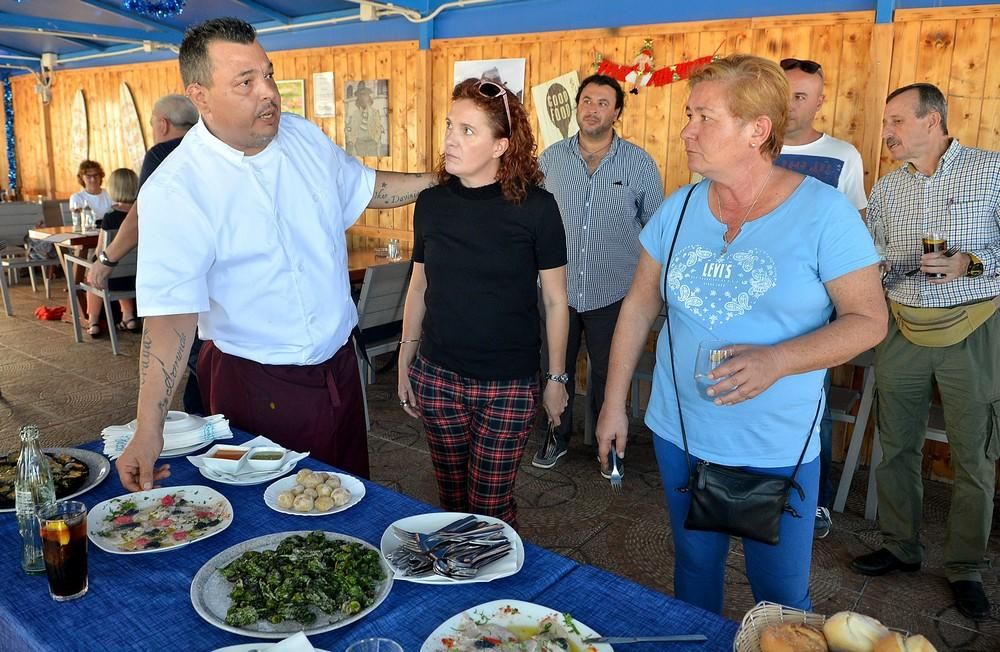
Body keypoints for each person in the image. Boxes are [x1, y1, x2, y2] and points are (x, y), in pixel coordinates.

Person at [595, 54, 886, 613]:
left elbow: (868, 321)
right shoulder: (679, 208)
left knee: (778, 595)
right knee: (695, 567)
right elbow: (637, 305)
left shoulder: (825, 213)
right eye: (688, 114)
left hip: (773, 444)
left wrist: (778, 360)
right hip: (679, 429)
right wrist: (613, 404)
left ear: (758, 131)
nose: (687, 130)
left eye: (705, 117)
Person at [114, 17, 433, 492]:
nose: (268, 92)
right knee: (273, 530)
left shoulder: (302, 137)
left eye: (268, 74)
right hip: (255, 383)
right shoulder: (178, 188)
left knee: (347, 501)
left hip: (339, 368)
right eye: (246, 82)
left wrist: (437, 184)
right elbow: (169, 323)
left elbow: (366, 187)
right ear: (200, 95)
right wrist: (149, 427)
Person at [850, 83, 1000, 620]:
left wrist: (970, 264)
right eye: (885, 122)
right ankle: (900, 545)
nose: (885, 131)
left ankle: (965, 567)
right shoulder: (888, 189)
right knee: (896, 446)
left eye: (895, 121)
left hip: (975, 327)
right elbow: (870, 256)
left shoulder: (991, 170)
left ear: (932, 121)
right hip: (902, 327)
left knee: (973, 458)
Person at [396, 78, 569, 525]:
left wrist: (555, 378)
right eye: (451, 125)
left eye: (468, 130)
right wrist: (405, 361)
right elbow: (418, 287)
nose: (451, 138)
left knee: (490, 508)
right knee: (452, 500)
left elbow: (554, 302)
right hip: (437, 376)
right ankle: (459, 591)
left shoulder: (537, 208)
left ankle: (497, 588)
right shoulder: (432, 203)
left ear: (501, 146)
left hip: (507, 384)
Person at [530, 74, 663, 473]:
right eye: (587, 100)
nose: (592, 108)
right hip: (558, 293)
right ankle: (555, 437)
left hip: (614, 292)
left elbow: (656, 228)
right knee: (555, 369)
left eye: (603, 102)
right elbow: (529, 219)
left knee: (610, 375)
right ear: (577, 107)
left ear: (617, 112)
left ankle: (610, 450)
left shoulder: (639, 163)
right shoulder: (549, 160)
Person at [775, 57, 869, 540]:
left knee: (811, 398)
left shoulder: (842, 155)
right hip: (757, 296)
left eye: (802, 95)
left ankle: (815, 500)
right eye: (784, 91)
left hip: (818, 307)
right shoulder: (754, 146)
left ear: (820, 101)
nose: (792, 104)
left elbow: (855, 230)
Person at [86, 93, 201, 412]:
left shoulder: (163, 152)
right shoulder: (215, 145)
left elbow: (142, 214)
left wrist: (106, 259)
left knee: (198, 372)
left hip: (183, 279)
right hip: (222, 279)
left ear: (162, 124)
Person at [83, 168, 139, 338]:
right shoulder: (143, 213)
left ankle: (93, 322)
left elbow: (101, 253)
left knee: (95, 270)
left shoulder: (110, 217)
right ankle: (128, 318)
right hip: (139, 278)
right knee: (120, 268)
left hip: (112, 280)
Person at [345, 82, 384, 157]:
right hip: (359, 142)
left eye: (365, 96)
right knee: (359, 162)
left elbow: (378, 127)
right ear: (358, 100)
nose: (363, 99)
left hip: (372, 142)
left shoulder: (375, 113)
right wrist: (351, 139)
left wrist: (376, 139)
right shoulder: (355, 114)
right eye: (360, 96)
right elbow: (349, 127)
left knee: (373, 161)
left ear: (369, 98)